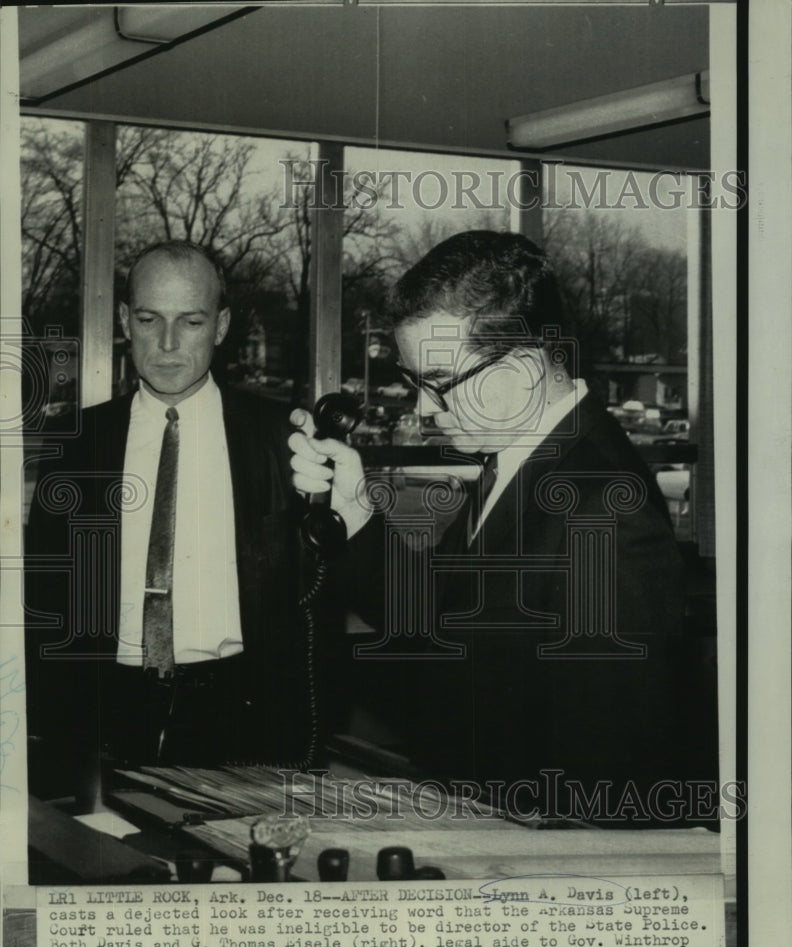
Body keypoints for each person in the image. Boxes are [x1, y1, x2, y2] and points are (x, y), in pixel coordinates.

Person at [289, 230, 716, 824]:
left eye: (439, 381)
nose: (423, 409)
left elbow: (610, 783)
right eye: (417, 383)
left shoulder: (601, 512)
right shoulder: (517, 462)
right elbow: (439, 621)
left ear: (524, 366)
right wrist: (357, 512)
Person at [25, 241, 313, 798]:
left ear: (222, 325)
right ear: (124, 320)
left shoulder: (284, 440)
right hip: (104, 714)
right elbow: (44, 604)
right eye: (150, 319)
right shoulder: (77, 446)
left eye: (192, 321)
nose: (167, 344)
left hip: (243, 715)